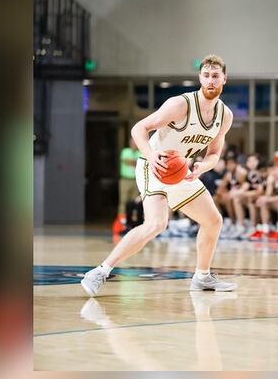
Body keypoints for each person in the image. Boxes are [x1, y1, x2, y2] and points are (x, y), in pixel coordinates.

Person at [81, 54, 237, 296]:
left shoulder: (224, 116)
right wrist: (152, 155)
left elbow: (214, 153)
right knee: (156, 223)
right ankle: (100, 272)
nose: (210, 81)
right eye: (206, 76)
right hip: (153, 166)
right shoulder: (181, 104)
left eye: (215, 76)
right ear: (199, 78)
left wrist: (202, 167)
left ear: (224, 79)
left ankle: (202, 277)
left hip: (182, 173)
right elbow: (139, 128)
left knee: (214, 221)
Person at [118, 137, 140, 226]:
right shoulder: (125, 151)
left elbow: (141, 162)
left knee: (135, 201)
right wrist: (136, 162)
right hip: (125, 180)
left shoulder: (140, 152)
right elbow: (127, 161)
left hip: (136, 180)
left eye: (135, 142)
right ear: (130, 143)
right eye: (133, 142)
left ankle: (132, 221)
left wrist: (134, 162)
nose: (134, 144)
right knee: (123, 200)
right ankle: (121, 220)